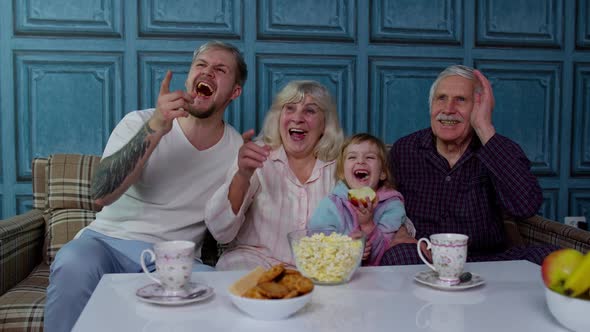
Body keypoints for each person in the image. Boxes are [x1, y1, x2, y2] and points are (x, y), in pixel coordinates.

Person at [45, 40, 247, 332]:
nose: (207, 73)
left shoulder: (236, 148)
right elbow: (101, 194)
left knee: (217, 292)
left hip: (173, 259)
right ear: (190, 78)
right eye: (200, 66)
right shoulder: (139, 121)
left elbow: (227, 226)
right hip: (105, 244)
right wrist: (156, 128)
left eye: (220, 69)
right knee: (73, 262)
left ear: (235, 92)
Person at [380, 64, 556, 266]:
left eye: (461, 100)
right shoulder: (406, 150)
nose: (448, 109)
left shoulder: (497, 148)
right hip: (424, 258)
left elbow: (526, 206)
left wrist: (484, 127)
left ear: (478, 109)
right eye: (441, 98)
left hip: (486, 260)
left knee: (550, 257)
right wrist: (401, 232)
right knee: (399, 255)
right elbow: (383, 200)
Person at [204, 80, 344, 270]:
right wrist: (242, 175)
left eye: (310, 111)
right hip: (256, 261)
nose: (298, 118)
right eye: (290, 108)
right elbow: (220, 232)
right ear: (279, 117)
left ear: (325, 124)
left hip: (319, 268)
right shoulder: (258, 155)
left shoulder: (341, 164)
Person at [308, 133, 416, 266]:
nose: (360, 161)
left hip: (379, 278)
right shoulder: (332, 204)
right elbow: (316, 243)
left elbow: (386, 253)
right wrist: (345, 247)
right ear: (342, 172)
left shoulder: (392, 206)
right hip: (339, 277)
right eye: (352, 157)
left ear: (382, 173)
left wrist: (368, 226)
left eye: (370, 157)